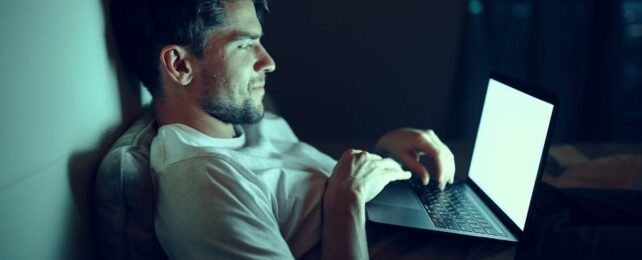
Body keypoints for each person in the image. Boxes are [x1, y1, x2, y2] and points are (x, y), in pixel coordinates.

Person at [110, 0, 456, 259]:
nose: (269, 61)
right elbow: (337, 200)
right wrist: (346, 199)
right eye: (245, 44)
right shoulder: (202, 181)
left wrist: (382, 156)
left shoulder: (250, 124)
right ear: (181, 65)